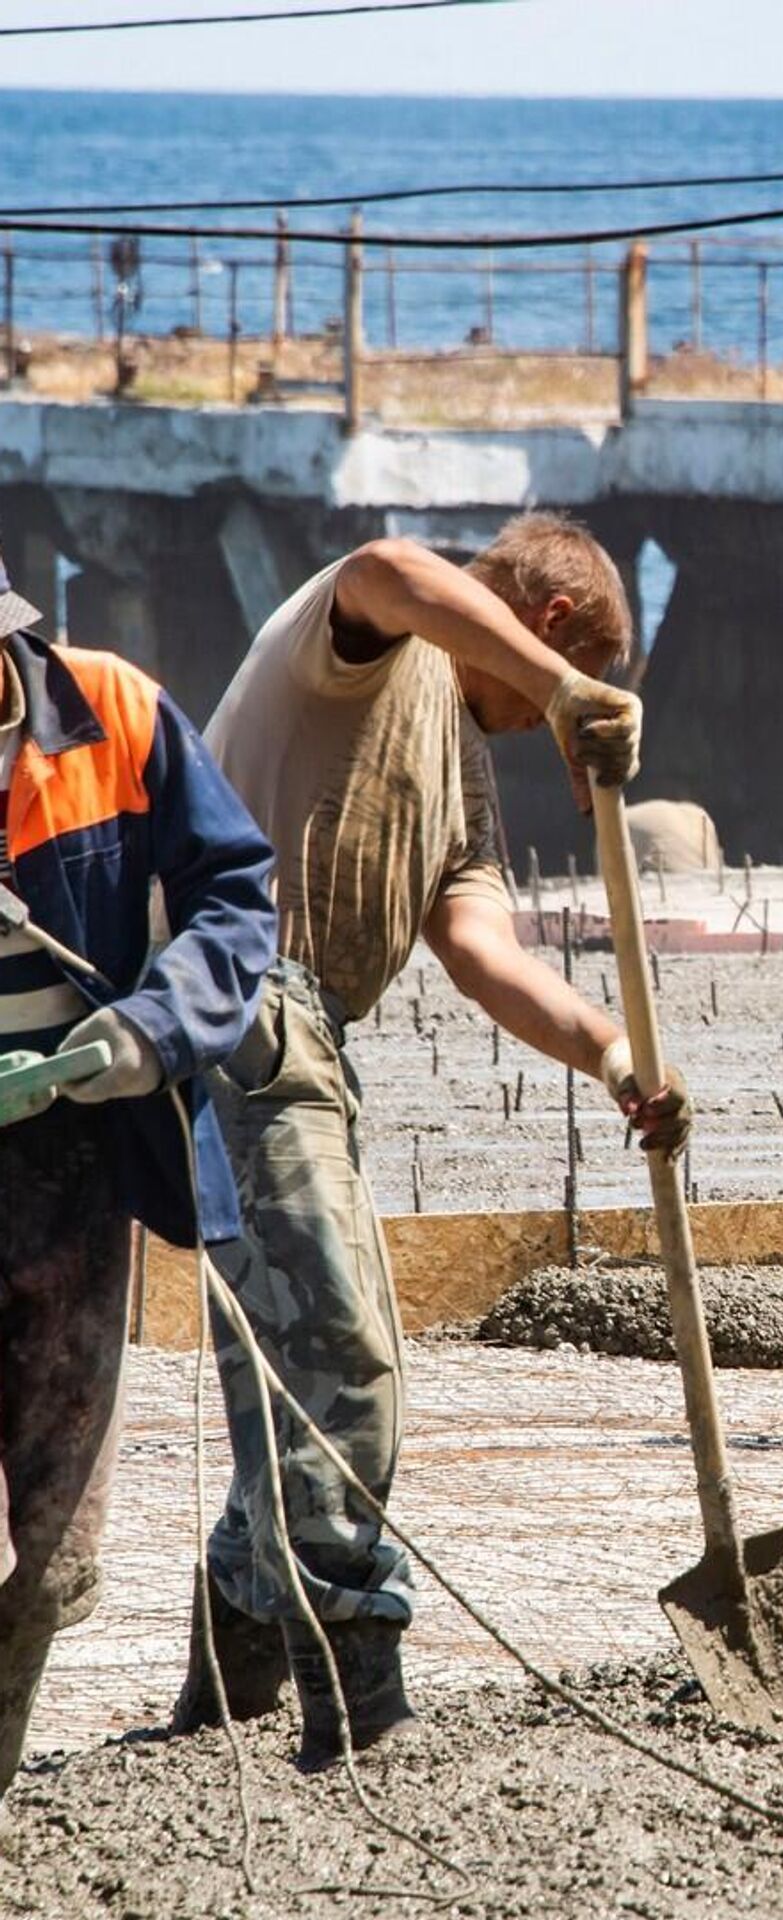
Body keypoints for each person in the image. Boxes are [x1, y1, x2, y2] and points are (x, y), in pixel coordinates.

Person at [174, 512, 689, 1769]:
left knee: (298, 1360)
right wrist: (566, 689)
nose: (543, 722)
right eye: (566, 676)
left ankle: (227, 1676)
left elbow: (483, 955)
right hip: (239, 1001)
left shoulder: (459, 767)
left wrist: (618, 1056)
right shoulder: (365, 637)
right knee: (343, 1350)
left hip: (313, 1039)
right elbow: (396, 569)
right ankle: (359, 1701)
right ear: (552, 626)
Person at [0, 539, 276, 1812]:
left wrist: (154, 1027)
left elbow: (233, 894)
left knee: (55, 1558)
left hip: (77, 1170)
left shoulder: (115, 710)